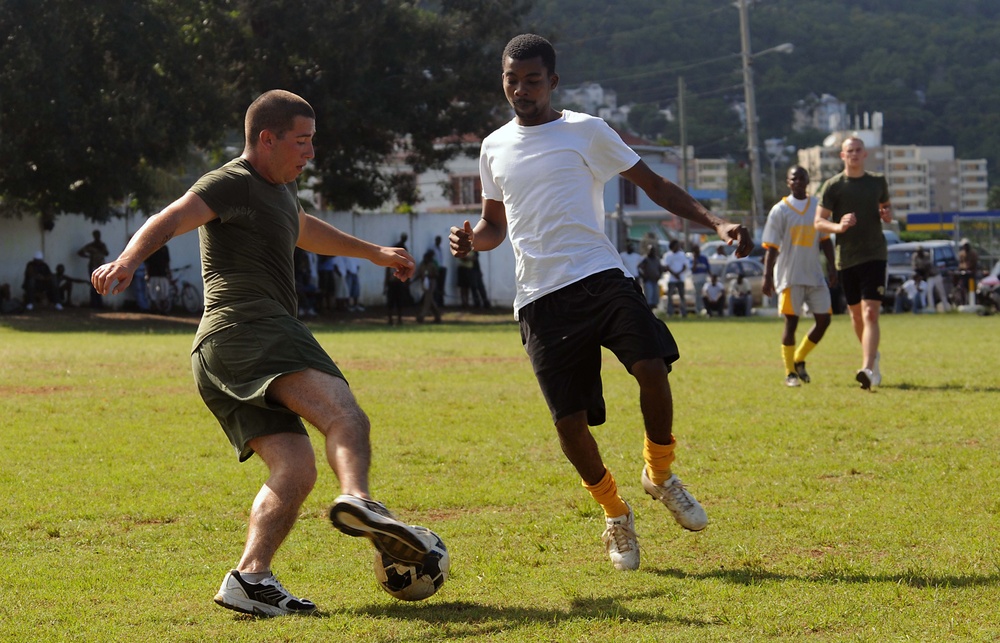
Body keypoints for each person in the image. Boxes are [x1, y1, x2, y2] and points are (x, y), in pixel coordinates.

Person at [91, 90, 428, 617]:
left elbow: (307, 231)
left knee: (295, 469)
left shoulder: (278, 195)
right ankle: (360, 500)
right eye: (302, 141)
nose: (310, 153)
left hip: (218, 354)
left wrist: (376, 253)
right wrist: (129, 259)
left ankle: (250, 579)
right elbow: (174, 214)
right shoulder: (233, 181)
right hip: (251, 328)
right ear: (265, 139)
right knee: (344, 415)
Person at [450, 34, 752, 572]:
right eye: (511, 79)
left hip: (600, 275)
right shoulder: (493, 147)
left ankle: (659, 474)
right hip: (540, 297)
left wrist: (717, 222)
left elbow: (655, 184)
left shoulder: (587, 131)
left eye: (532, 80)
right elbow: (495, 223)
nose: (521, 90)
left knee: (652, 368)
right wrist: (474, 238)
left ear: (553, 82)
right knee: (569, 423)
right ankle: (615, 513)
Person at [814, 136, 892, 390]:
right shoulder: (833, 186)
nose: (854, 154)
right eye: (850, 151)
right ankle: (873, 357)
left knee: (870, 312)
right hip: (846, 257)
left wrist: (887, 215)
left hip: (875, 254)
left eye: (859, 150)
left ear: (865, 154)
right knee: (856, 316)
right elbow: (818, 222)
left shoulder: (877, 182)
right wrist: (839, 226)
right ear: (842, 155)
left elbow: (887, 209)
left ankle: (867, 367)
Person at [762, 166, 837, 388]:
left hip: (814, 274)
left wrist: (832, 268)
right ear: (788, 182)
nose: (798, 181)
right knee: (791, 323)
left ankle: (799, 358)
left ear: (807, 181)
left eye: (802, 177)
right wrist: (767, 276)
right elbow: (772, 248)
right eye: (794, 178)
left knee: (824, 320)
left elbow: (825, 241)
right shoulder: (779, 210)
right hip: (789, 275)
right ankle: (790, 373)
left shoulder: (817, 207)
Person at [910, 245, 949, 312]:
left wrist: (922, 275)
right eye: (918, 252)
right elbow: (915, 267)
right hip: (929, 277)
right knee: (929, 291)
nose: (919, 253)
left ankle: (946, 308)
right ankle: (932, 308)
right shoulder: (915, 256)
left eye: (920, 251)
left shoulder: (927, 255)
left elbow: (927, 266)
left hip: (935, 275)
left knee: (941, 291)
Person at [78, 230, 110, 308]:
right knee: (93, 285)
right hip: (93, 266)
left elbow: (107, 253)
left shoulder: (102, 245)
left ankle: (99, 304)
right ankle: (94, 303)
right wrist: (89, 256)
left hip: (101, 266)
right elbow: (80, 252)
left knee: (100, 284)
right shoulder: (91, 245)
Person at [660, 239, 689, 317]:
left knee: (682, 296)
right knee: (670, 296)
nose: (678, 246)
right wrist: (674, 274)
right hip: (671, 279)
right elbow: (666, 266)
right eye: (676, 245)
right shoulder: (668, 255)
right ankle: (669, 312)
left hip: (680, 278)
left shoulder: (682, 254)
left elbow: (685, 266)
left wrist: (679, 273)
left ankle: (683, 312)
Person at [414, 249, 442, 323]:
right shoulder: (422, 264)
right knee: (430, 300)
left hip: (431, 283)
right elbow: (419, 274)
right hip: (425, 284)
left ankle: (421, 316)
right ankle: (438, 316)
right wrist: (412, 282)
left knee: (427, 300)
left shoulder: (432, 265)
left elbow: (436, 275)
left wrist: (429, 275)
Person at [689, 245, 711, 316]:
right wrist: (695, 259)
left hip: (704, 279)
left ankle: (705, 309)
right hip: (696, 280)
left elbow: (708, 269)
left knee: (705, 295)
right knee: (698, 295)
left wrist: (711, 277)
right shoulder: (691, 259)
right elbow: (693, 269)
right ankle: (698, 310)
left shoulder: (704, 258)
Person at [956, 238, 979, 304]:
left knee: (973, 288)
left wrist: (969, 268)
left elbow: (974, 263)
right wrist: (962, 268)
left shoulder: (973, 253)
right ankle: (963, 302)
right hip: (964, 274)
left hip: (971, 274)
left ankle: (975, 302)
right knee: (961, 287)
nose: (966, 247)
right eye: (964, 245)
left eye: (967, 245)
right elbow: (960, 264)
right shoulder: (961, 254)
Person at [429, 235, 447, 307]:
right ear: (436, 240)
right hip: (436, 269)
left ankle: (441, 301)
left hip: (441, 268)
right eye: (438, 240)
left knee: (441, 286)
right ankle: (436, 301)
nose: (439, 242)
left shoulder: (441, 249)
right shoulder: (432, 249)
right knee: (435, 285)